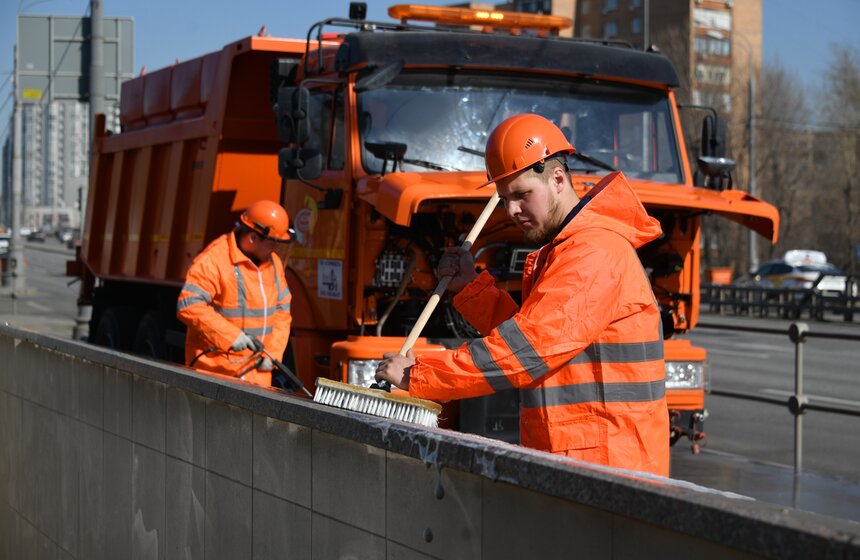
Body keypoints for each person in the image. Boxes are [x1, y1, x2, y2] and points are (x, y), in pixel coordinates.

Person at [375, 113, 670, 476]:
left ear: (558, 179)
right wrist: (470, 288)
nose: (512, 210)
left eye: (522, 195)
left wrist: (420, 374)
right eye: (504, 199)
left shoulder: (592, 253)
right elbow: (536, 336)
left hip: (606, 465)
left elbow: (525, 350)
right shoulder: (575, 248)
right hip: (592, 456)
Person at [177, 200, 293, 387]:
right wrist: (231, 337)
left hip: (257, 377)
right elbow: (189, 305)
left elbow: (282, 310)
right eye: (273, 242)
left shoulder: (273, 264)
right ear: (253, 238)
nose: (277, 249)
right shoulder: (214, 260)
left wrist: (273, 353)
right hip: (216, 375)